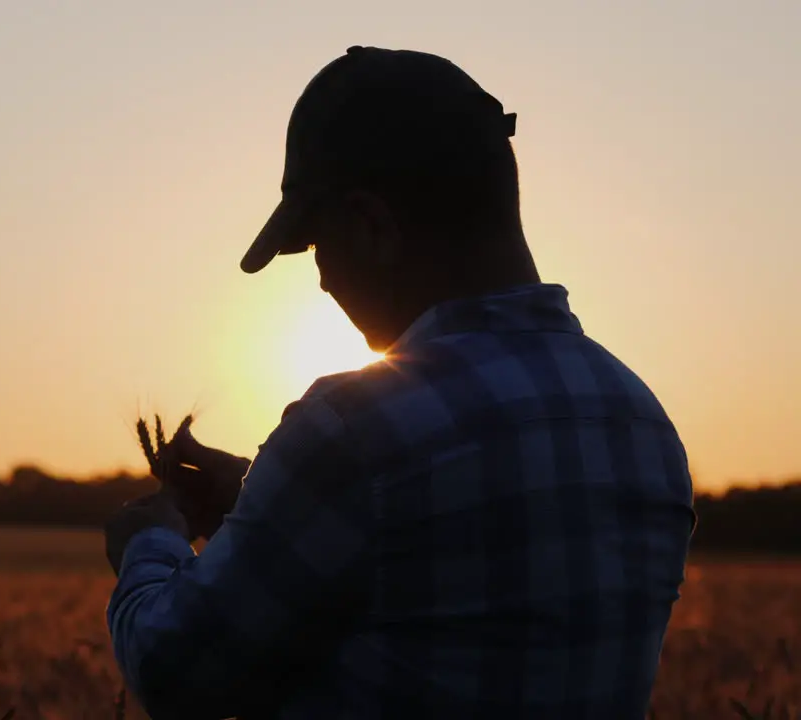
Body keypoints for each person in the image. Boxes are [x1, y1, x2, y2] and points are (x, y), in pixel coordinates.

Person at [102, 45, 696, 719]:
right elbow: (457, 565)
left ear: (373, 224)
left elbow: (176, 671)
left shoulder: (353, 429)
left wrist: (147, 545)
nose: (322, 278)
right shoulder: (639, 419)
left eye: (318, 246)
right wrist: (256, 503)